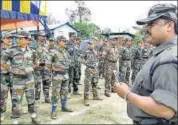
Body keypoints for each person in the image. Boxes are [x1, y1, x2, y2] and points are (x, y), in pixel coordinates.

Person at [116, 4, 177, 125]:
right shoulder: (164, 53)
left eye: (151, 24)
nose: (146, 28)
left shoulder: (168, 59)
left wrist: (126, 94)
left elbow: (164, 109)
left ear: (169, 26)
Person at [1, 31, 40, 124]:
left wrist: (30, 68)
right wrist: (12, 69)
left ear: (27, 40)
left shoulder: (32, 51)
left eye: (21, 38)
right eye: (19, 38)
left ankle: (33, 118)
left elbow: (37, 63)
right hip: (17, 80)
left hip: (29, 79)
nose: (19, 40)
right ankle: (15, 121)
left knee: (31, 99)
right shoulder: (11, 50)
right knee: (17, 101)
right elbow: (2, 62)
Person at [50, 36, 73, 119]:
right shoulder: (53, 52)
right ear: (59, 41)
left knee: (64, 92)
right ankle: (53, 111)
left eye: (66, 41)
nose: (65, 42)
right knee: (55, 93)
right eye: (63, 41)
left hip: (65, 75)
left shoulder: (65, 52)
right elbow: (47, 63)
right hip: (57, 76)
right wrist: (53, 69)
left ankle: (64, 107)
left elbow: (69, 62)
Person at [82, 40, 102, 106]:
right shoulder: (86, 52)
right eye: (89, 44)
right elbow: (80, 59)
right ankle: (86, 99)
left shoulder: (96, 51)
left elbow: (97, 59)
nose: (90, 45)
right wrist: (87, 64)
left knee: (95, 82)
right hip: (89, 70)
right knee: (87, 84)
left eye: (91, 44)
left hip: (95, 69)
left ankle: (95, 96)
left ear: (94, 45)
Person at [34, 31, 51, 105]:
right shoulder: (34, 45)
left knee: (47, 83)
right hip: (37, 68)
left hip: (46, 68)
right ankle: (37, 99)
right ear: (38, 36)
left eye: (45, 36)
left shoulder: (47, 46)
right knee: (37, 84)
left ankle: (47, 98)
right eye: (42, 36)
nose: (44, 37)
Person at [0, 33, 13, 122]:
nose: (10, 40)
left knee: (15, 95)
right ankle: (2, 113)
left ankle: (15, 111)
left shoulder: (15, 50)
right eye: (7, 38)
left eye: (11, 38)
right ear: (3, 39)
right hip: (3, 76)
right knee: (2, 96)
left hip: (14, 76)